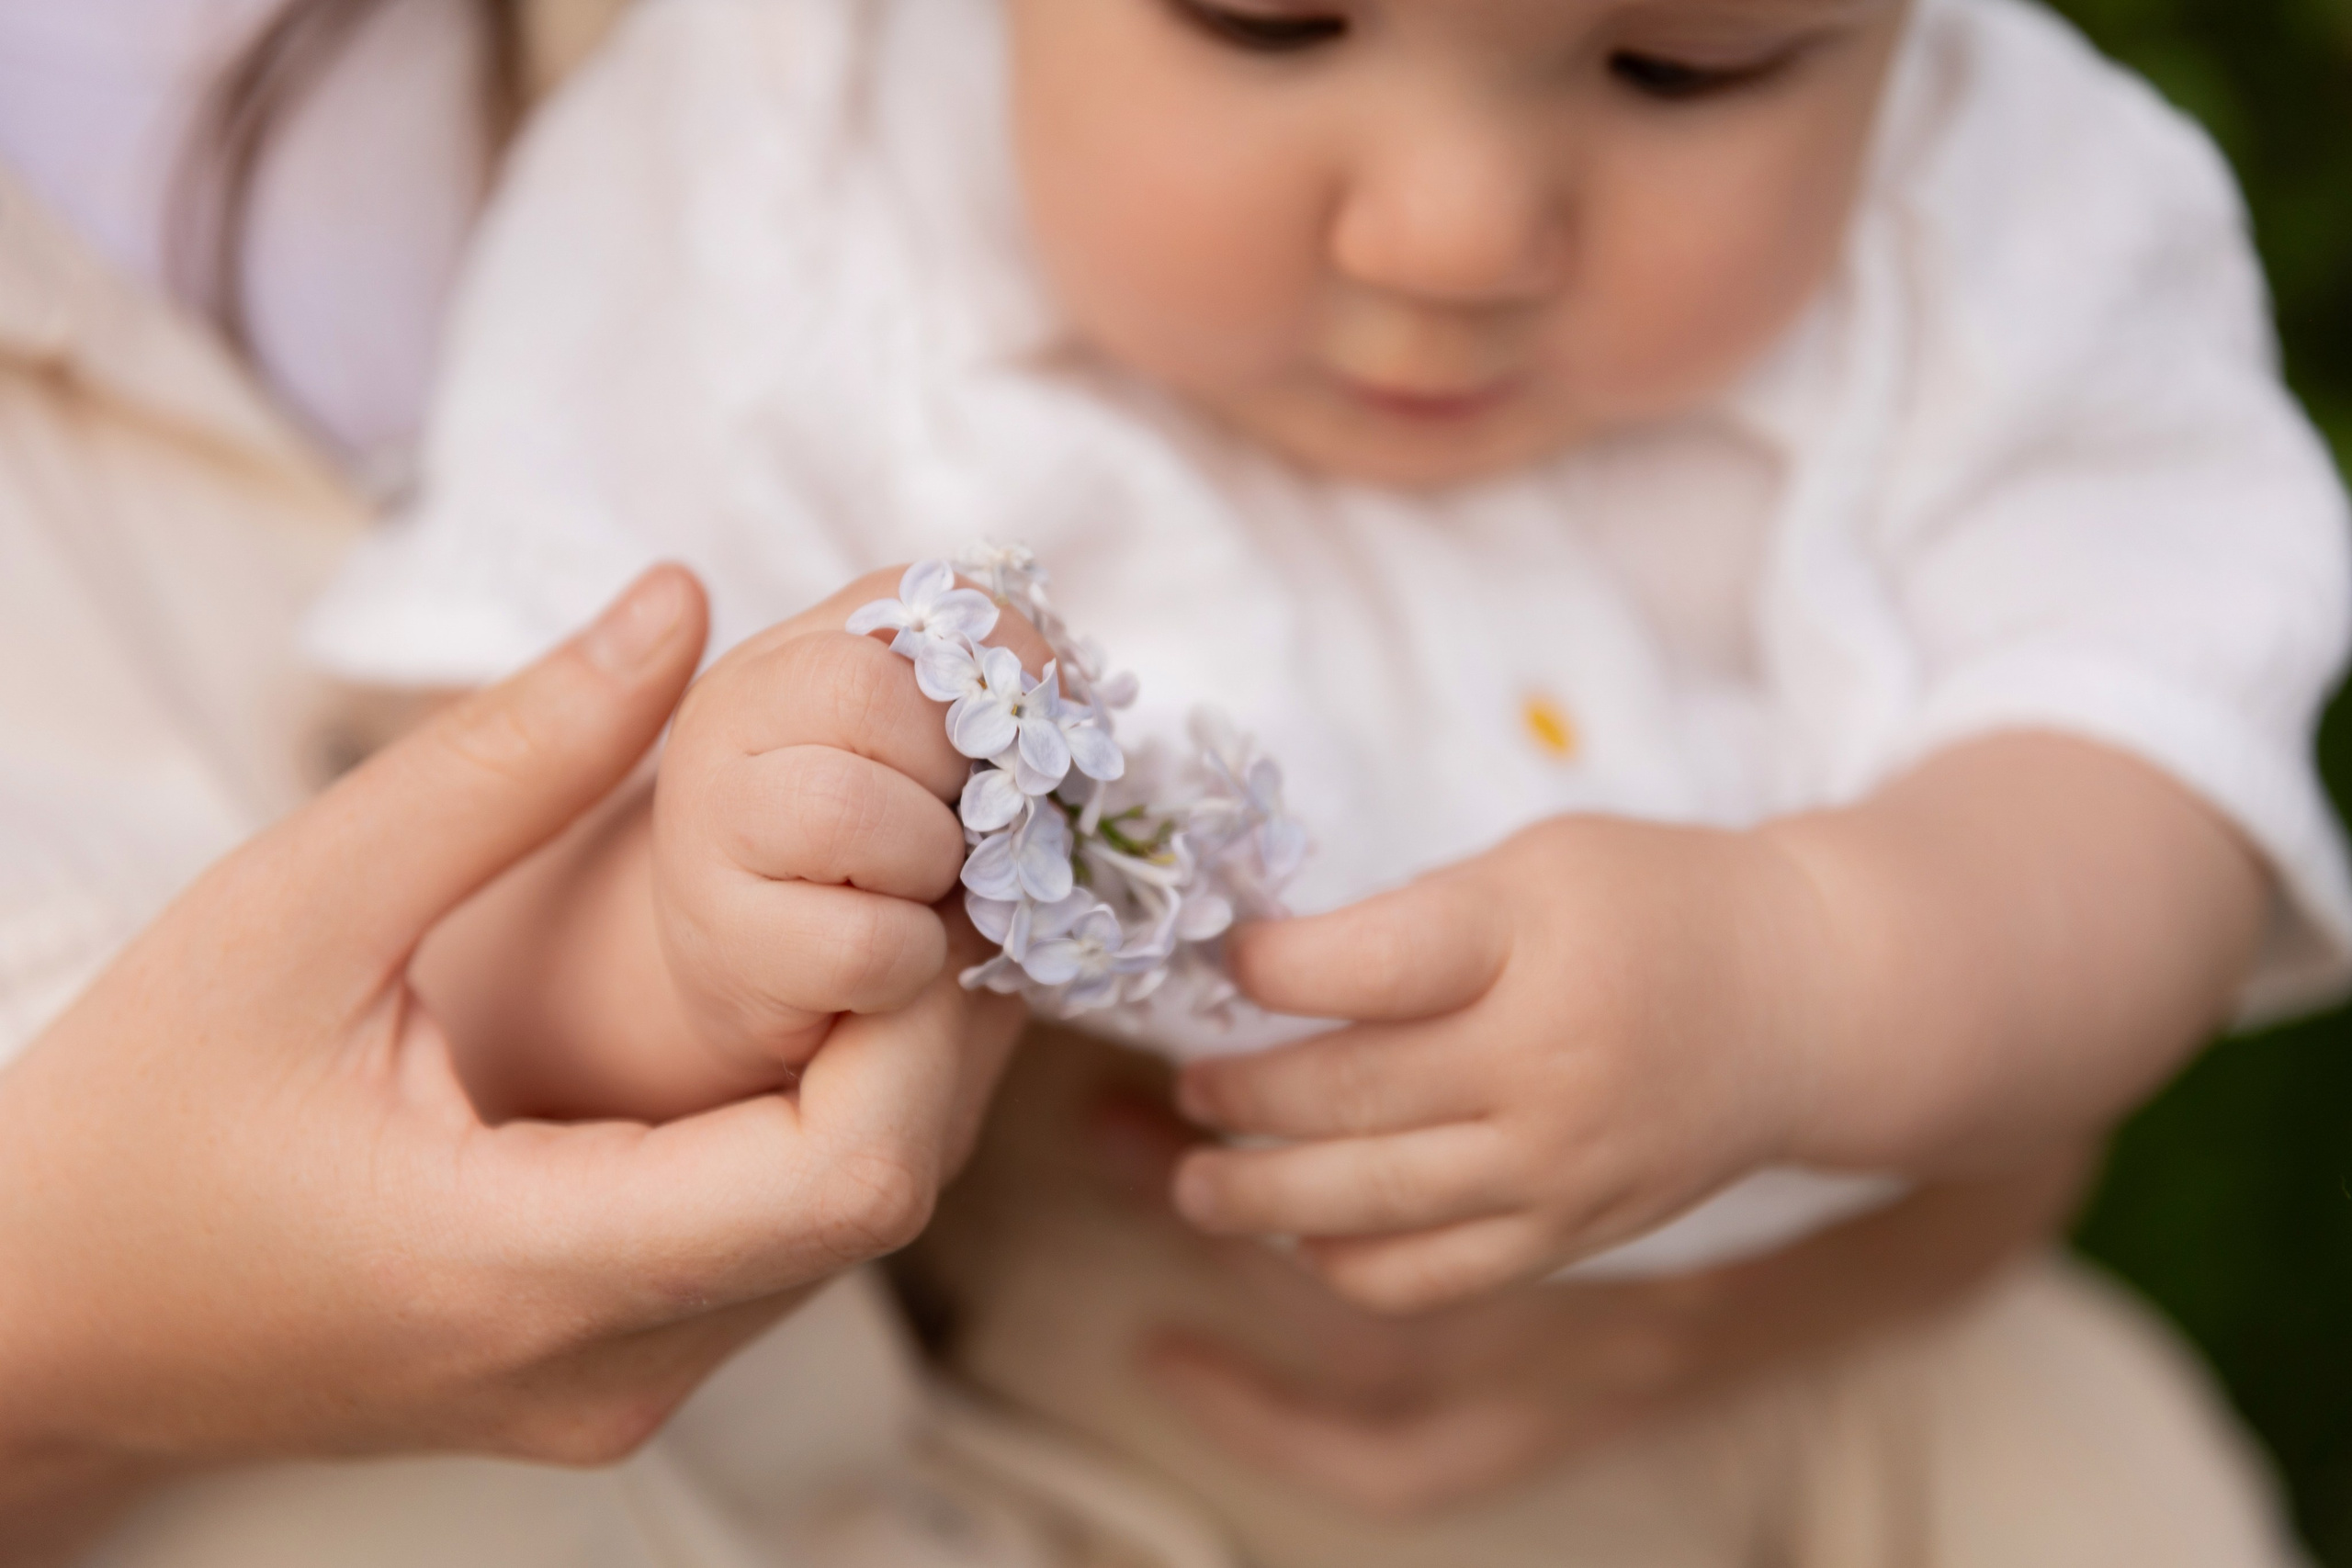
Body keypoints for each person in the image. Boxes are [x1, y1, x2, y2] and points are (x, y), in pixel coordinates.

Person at [0, 4, 2098, 1565]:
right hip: (1098, 1377)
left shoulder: (2005, 209)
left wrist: (1820, 975)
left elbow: (2144, 767)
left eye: (1687, 65)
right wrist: (696, 918)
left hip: (1849, 1369)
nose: (1454, 228)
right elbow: (464, 924)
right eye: (1268, 15)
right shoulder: (777, 156)